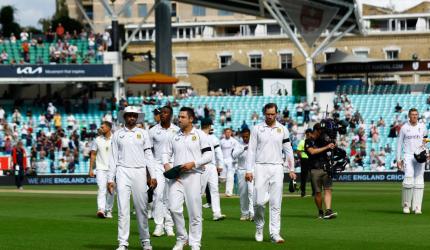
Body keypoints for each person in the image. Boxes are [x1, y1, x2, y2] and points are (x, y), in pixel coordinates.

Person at [162, 107, 213, 250]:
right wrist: (168, 167)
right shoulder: (173, 135)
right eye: (179, 117)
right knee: (173, 208)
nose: (179, 119)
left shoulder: (200, 135)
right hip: (176, 177)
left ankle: (195, 243)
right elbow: (165, 153)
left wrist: (194, 164)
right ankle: (182, 238)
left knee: (195, 212)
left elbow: (209, 156)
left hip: (194, 175)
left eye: (183, 117)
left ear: (191, 119)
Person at [108, 106, 157, 250]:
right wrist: (110, 178)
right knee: (123, 209)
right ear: (124, 117)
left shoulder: (143, 133)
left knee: (141, 208)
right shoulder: (117, 134)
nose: (132, 118)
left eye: (134, 115)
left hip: (140, 172)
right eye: (129, 115)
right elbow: (113, 157)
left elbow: (148, 155)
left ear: (137, 117)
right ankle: (123, 243)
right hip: (122, 171)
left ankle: (145, 240)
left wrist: (152, 175)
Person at [245, 103, 296, 243]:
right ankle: (259, 227)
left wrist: (291, 169)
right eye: (268, 114)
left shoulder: (283, 129)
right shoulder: (257, 129)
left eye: (273, 114)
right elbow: (251, 150)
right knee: (259, 203)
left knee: (276, 203)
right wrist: (249, 170)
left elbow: (288, 150)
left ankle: (275, 234)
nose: (270, 116)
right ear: (264, 113)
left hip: (277, 168)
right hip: (260, 167)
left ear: (277, 114)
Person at [148, 106, 178, 237]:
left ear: (171, 115)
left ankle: (169, 226)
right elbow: (148, 152)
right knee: (158, 195)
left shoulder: (177, 130)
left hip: (173, 166)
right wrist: (149, 173)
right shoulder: (153, 130)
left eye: (166, 113)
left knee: (171, 197)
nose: (162, 115)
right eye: (161, 113)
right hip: (157, 166)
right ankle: (159, 225)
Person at [397, 108, 427, 214]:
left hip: (419, 155)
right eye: (412, 114)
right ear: (409, 116)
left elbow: (426, 140)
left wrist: (427, 153)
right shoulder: (404, 128)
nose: (414, 116)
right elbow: (399, 144)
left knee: (419, 180)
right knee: (409, 178)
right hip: (408, 155)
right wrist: (398, 159)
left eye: (416, 114)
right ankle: (406, 205)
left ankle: (417, 207)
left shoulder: (422, 127)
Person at [305, 123, 337, 219]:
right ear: (315, 130)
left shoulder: (323, 140)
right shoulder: (309, 141)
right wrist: (327, 147)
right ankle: (320, 211)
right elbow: (312, 152)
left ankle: (328, 210)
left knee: (328, 190)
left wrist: (331, 143)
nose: (321, 132)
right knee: (318, 193)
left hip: (326, 168)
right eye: (320, 130)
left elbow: (333, 146)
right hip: (314, 169)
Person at [200, 118, 226, 221]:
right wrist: (220, 165)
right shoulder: (205, 136)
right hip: (204, 165)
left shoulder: (198, 135)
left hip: (208, 166)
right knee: (203, 190)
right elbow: (218, 153)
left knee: (211, 190)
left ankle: (217, 213)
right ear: (210, 125)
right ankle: (199, 215)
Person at [89, 121, 114, 219]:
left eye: (103, 127)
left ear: (109, 128)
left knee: (111, 190)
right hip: (100, 168)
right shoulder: (97, 140)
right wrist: (91, 168)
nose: (101, 129)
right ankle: (101, 209)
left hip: (112, 168)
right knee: (101, 189)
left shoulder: (115, 138)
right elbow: (93, 154)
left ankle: (109, 210)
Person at [232, 128, 254, 221]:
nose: (245, 138)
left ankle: (252, 213)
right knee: (243, 193)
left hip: (252, 171)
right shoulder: (238, 145)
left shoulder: (254, 145)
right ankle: (244, 213)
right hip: (241, 171)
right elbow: (234, 155)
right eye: (244, 137)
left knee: (251, 192)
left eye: (247, 136)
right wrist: (243, 149)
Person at [220, 128, 240, 197]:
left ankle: (229, 192)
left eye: (229, 132)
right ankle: (223, 190)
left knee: (230, 176)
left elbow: (237, 151)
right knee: (222, 178)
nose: (228, 133)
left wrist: (236, 160)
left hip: (231, 161)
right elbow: (219, 152)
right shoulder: (221, 141)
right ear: (224, 133)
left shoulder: (234, 141)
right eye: (226, 132)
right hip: (223, 160)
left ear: (231, 133)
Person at [297, 129, 315, 197]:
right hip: (308, 160)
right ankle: (313, 192)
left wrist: (301, 158)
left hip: (305, 160)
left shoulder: (302, 141)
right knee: (312, 176)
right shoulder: (311, 142)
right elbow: (298, 151)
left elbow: (298, 151)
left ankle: (303, 192)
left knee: (304, 177)